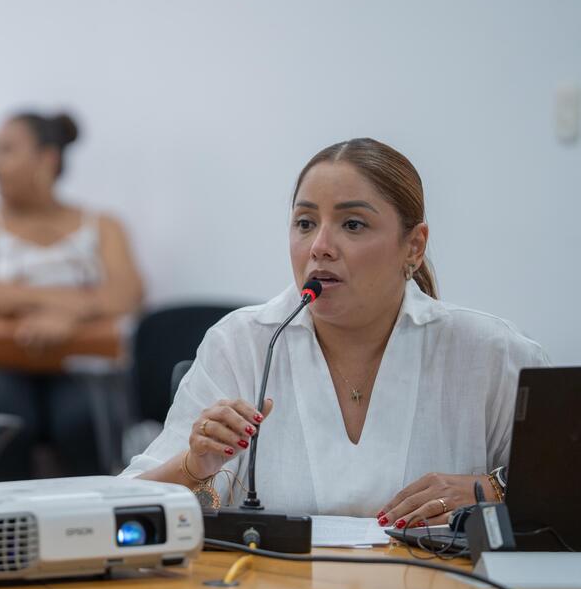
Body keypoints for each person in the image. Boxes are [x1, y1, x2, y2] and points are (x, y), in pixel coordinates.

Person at [122, 138, 548, 529]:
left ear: (414, 247)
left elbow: (565, 488)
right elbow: (125, 504)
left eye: (353, 225)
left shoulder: (490, 352)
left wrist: (494, 490)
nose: (319, 246)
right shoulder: (243, 343)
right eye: (305, 223)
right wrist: (196, 467)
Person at [0, 111, 143, 480]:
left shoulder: (103, 225)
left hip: (79, 362)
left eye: (6, 151)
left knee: (84, 419)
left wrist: (64, 318)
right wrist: (70, 304)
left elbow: (126, 293)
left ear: (47, 158)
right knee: (4, 421)